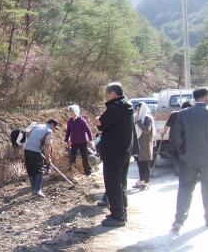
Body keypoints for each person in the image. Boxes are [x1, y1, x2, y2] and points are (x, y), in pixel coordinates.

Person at [171, 87, 208, 232]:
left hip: (188, 158)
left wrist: (183, 153)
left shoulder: (183, 114)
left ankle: (179, 221)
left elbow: (178, 137)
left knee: (184, 189)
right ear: (207, 97)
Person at [97, 82, 136, 227]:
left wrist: (98, 121)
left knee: (112, 183)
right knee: (121, 183)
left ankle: (117, 216)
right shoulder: (127, 105)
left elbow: (101, 124)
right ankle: (121, 211)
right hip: (124, 151)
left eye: (107, 94)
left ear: (113, 93)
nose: (106, 97)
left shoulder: (115, 107)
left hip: (113, 152)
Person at [23, 119, 59, 198]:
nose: (54, 130)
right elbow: (47, 146)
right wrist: (48, 158)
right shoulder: (49, 131)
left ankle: (34, 189)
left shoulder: (37, 126)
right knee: (39, 170)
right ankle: (37, 190)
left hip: (26, 149)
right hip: (35, 151)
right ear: (52, 124)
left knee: (31, 170)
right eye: (55, 128)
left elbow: (28, 134)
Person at [163, 101, 192, 175]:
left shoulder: (174, 114)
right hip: (183, 139)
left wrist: (163, 133)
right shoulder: (189, 115)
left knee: (172, 153)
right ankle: (181, 169)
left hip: (173, 138)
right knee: (180, 154)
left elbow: (167, 125)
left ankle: (177, 168)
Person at [64, 105, 94, 176]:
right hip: (74, 143)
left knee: (85, 158)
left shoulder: (81, 121)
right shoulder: (69, 121)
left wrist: (90, 139)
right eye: (70, 111)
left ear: (76, 112)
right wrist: (66, 140)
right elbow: (68, 131)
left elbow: (88, 130)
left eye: (72, 111)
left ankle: (88, 172)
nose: (70, 113)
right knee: (72, 157)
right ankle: (72, 172)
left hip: (82, 142)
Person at [133, 102, 155, 190]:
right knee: (139, 164)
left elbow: (146, 130)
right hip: (138, 144)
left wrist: (138, 122)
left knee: (145, 165)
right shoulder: (137, 118)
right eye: (136, 109)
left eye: (139, 109)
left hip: (145, 145)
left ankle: (146, 182)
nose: (137, 111)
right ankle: (141, 181)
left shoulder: (147, 118)